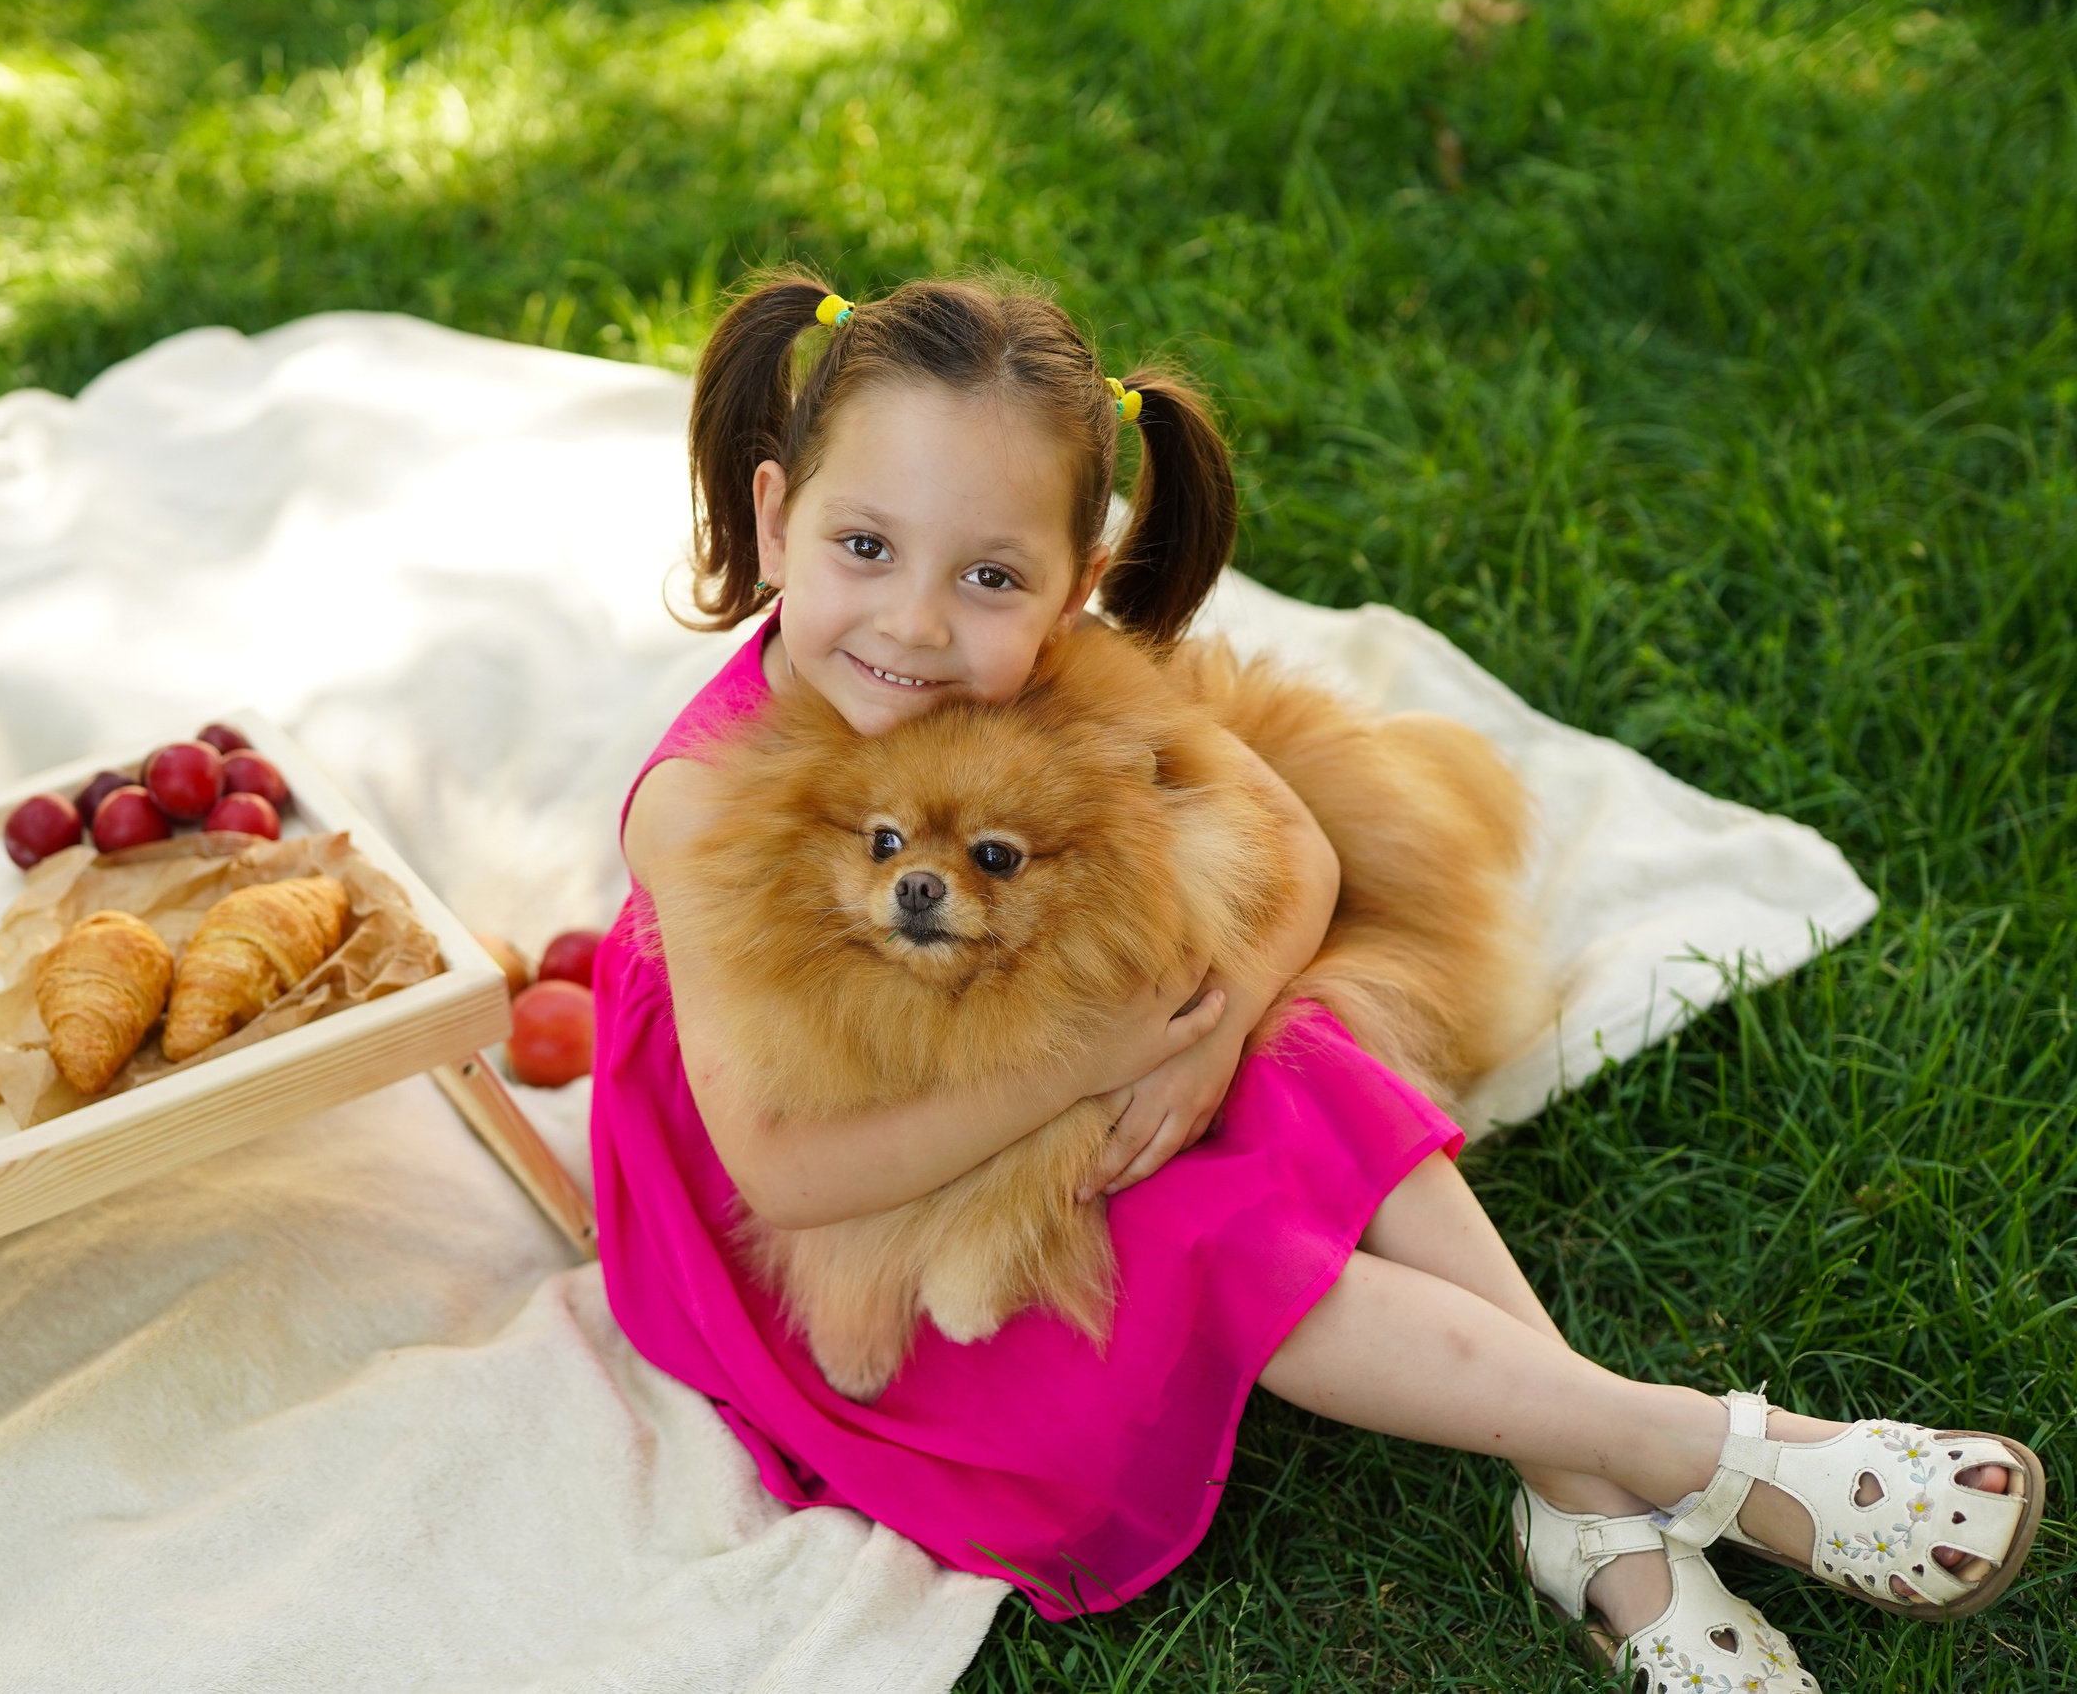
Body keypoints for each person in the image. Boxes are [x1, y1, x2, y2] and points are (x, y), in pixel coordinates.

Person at [587, 272, 2039, 1687]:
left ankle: (1586, 1503)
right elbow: (781, 1177)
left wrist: (1207, 1047)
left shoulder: (1046, 665)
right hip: (845, 1221)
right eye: (864, 546)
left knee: (1304, 1061)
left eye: (988, 575)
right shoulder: (703, 806)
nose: (914, 623)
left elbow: (1299, 856)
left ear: (1076, 582)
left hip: (1055, 1043)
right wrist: (1096, 1067)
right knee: (1212, 1237)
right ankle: (1708, 1453)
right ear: (776, 519)